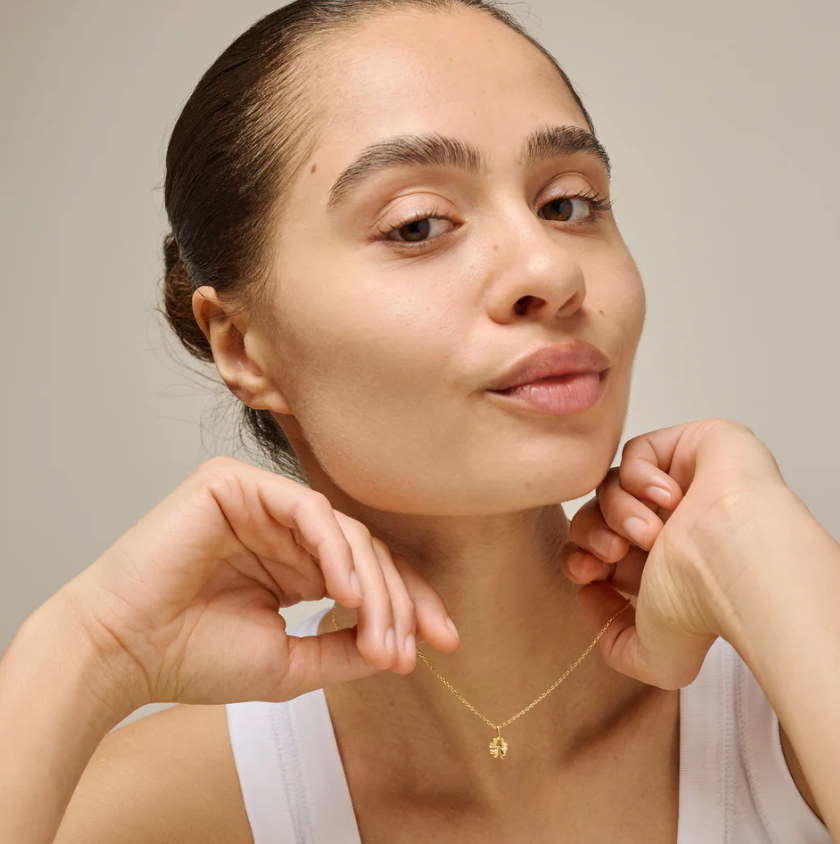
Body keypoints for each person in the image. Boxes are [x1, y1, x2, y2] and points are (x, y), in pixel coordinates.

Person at [1, 2, 837, 843]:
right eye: (418, 225)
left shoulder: (792, 709)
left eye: (568, 205)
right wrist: (87, 647)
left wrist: (756, 545)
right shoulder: (151, 811)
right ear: (244, 345)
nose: (551, 269)